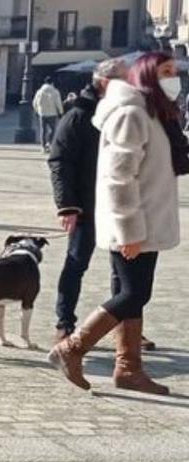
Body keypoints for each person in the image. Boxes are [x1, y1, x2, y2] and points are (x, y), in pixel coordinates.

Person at [47, 52, 180, 396]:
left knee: (133, 294)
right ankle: (72, 347)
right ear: (148, 75)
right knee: (133, 293)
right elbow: (118, 178)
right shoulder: (132, 113)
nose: (173, 77)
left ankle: (129, 368)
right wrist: (128, 231)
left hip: (146, 222)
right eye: (165, 71)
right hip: (134, 225)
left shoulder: (153, 114)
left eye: (174, 71)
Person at [48, 59, 128, 343]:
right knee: (76, 263)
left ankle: (127, 326)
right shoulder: (78, 117)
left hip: (119, 204)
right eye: (125, 81)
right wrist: (67, 205)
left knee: (124, 270)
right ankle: (64, 323)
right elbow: (60, 161)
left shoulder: (122, 114)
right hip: (86, 205)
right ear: (105, 83)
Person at [33, 76, 64, 152]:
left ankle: (43, 146)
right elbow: (58, 103)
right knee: (53, 130)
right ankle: (49, 143)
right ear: (52, 83)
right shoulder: (55, 91)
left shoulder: (39, 91)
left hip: (42, 113)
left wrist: (37, 111)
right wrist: (61, 112)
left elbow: (34, 103)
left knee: (43, 130)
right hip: (52, 114)